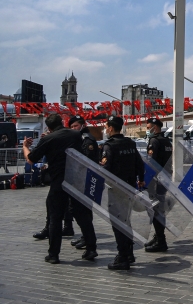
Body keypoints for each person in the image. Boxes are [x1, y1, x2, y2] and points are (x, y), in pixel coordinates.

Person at [23, 114, 82, 264]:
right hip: (76, 180)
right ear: (62, 122)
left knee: (55, 218)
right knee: (82, 214)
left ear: (48, 127)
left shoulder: (48, 139)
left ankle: (53, 254)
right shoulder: (75, 134)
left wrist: (25, 146)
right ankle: (91, 247)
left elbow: (30, 159)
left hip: (58, 182)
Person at [101, 116, 145, 270]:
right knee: (126, 219)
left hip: (116, 189)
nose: (106, 129)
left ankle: (122, 257)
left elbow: (105, 170)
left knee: (118, 222)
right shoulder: (130, 143)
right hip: (130, 186)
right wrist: (141, 180)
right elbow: (139, 163)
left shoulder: (109, 146)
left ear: (111, 128)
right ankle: (130, 253)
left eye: (106, 127)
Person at [65, 115, 99, 260]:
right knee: (80, 212)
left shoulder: (87, 140)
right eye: (71, 127)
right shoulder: (78, 139)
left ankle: (90, 243)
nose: (74, 129)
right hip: (78, 182)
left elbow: (86, 162)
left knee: (82, 212)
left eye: (75, 126)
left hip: (85, 182)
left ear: (82, 125)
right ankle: (86, 237)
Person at [143, 117, 172, 253]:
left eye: (149, 128)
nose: (147, 130)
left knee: (156, 209)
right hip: (165, 178)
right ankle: (158, 236)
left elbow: (151, 163)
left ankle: (161, 240)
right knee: (160, 208)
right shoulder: (166, 140)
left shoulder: (154, 141)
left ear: (155, 127)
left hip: (156, 179)